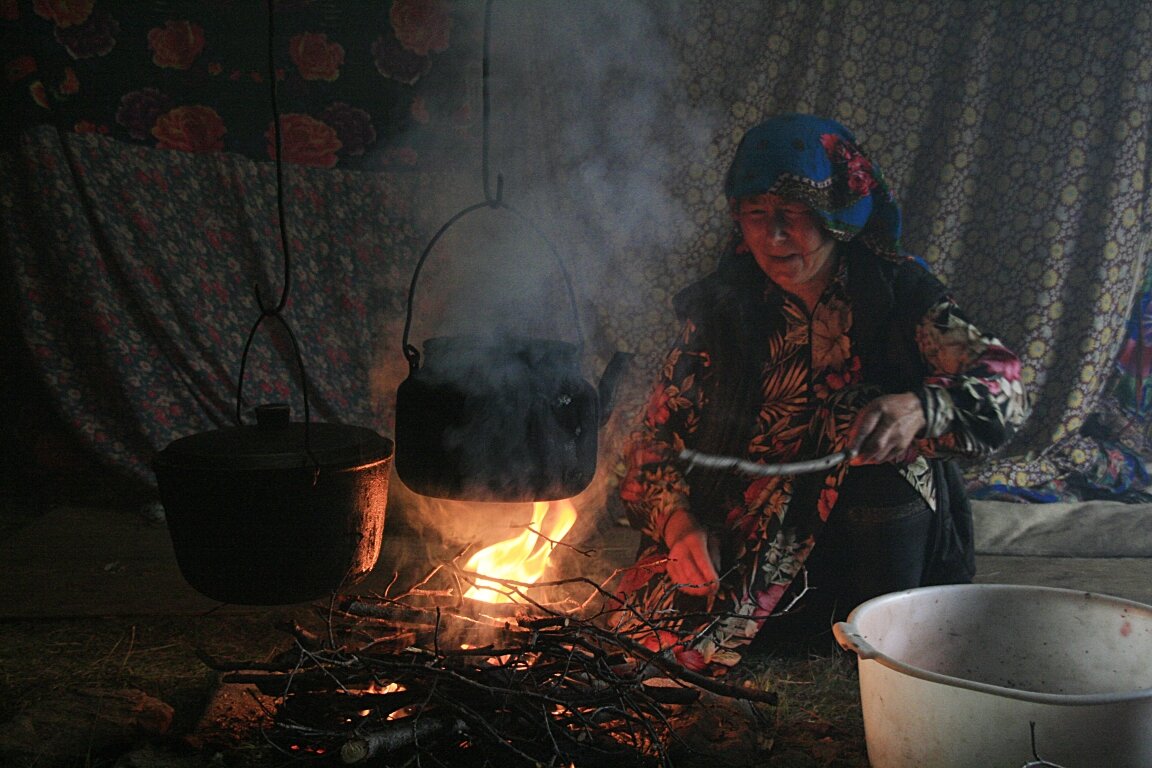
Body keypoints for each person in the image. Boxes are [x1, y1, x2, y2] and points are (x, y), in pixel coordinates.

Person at [611, 114, 1029, 671]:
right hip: (749, 535)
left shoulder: (897, 291)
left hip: (870, 536)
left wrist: (922, 408)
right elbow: (652, 439)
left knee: (867, 427)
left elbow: (1005, 385)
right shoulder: (725, 308)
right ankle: (795, 631)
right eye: (756, 215)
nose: (774, 234)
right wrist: (679, 525)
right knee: (652, 644)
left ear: (837, 215)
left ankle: (883, 640)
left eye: (794, 214)